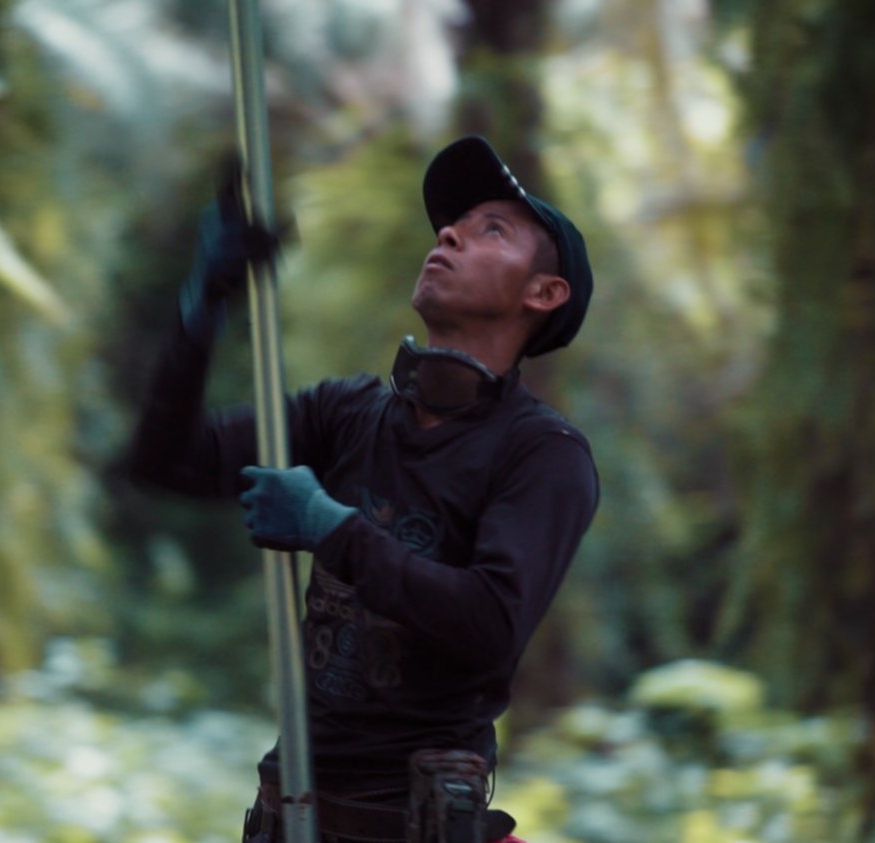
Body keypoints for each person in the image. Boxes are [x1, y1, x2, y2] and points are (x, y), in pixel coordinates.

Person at [128, 136, 599, 843]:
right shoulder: (349, 412)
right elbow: (168, 460)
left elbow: (491, 623)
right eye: (452, 225)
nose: (449, 234)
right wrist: (203, 308)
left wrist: (333, 529)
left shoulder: (544, 453)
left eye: (492, 230)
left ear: (544, 292)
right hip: (288, 818)